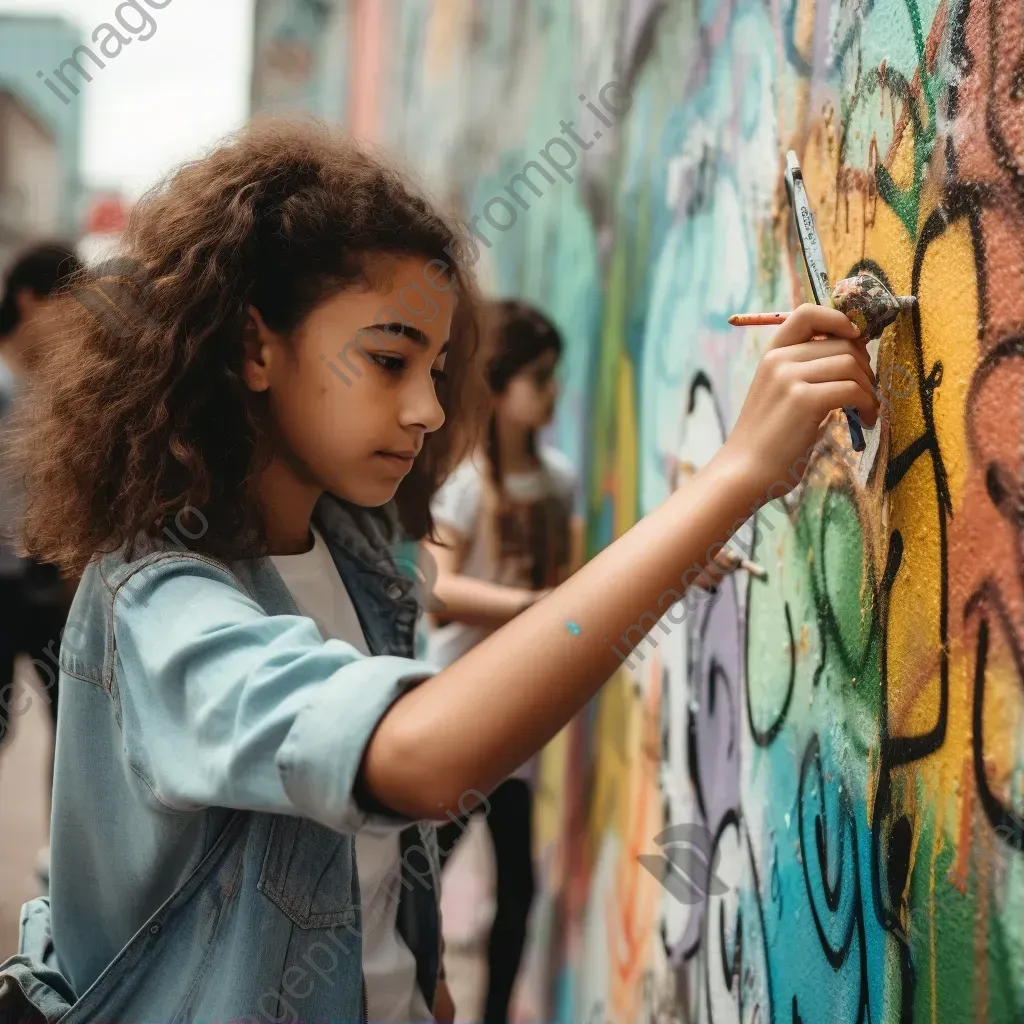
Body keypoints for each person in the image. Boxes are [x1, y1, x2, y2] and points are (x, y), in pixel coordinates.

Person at [0, 120, 876, 1024]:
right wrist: (734, 479)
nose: (425, 408)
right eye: (387, 360)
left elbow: (372, 861)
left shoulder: (357, 553)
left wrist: (418, 974)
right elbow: (416, 757)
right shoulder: (158, 604)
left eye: (438, 366)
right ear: (255, 346)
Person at [424, 299, 577, 1023]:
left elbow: (572, 589)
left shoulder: (559, 479)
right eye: (538, 377)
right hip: (455, 708)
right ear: (498, 386)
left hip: (518, 721)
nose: (552, 392)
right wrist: (531, 610)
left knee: (519, 889)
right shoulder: (461, 486)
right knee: (417, 883)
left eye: (554, 376)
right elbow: (438, 590)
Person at [0, 242, 82, 889]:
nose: (74, 317)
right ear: (28, 300)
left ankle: (66, 878)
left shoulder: (62, 388)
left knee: (76, 731)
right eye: (65, 303)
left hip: (52, 585)